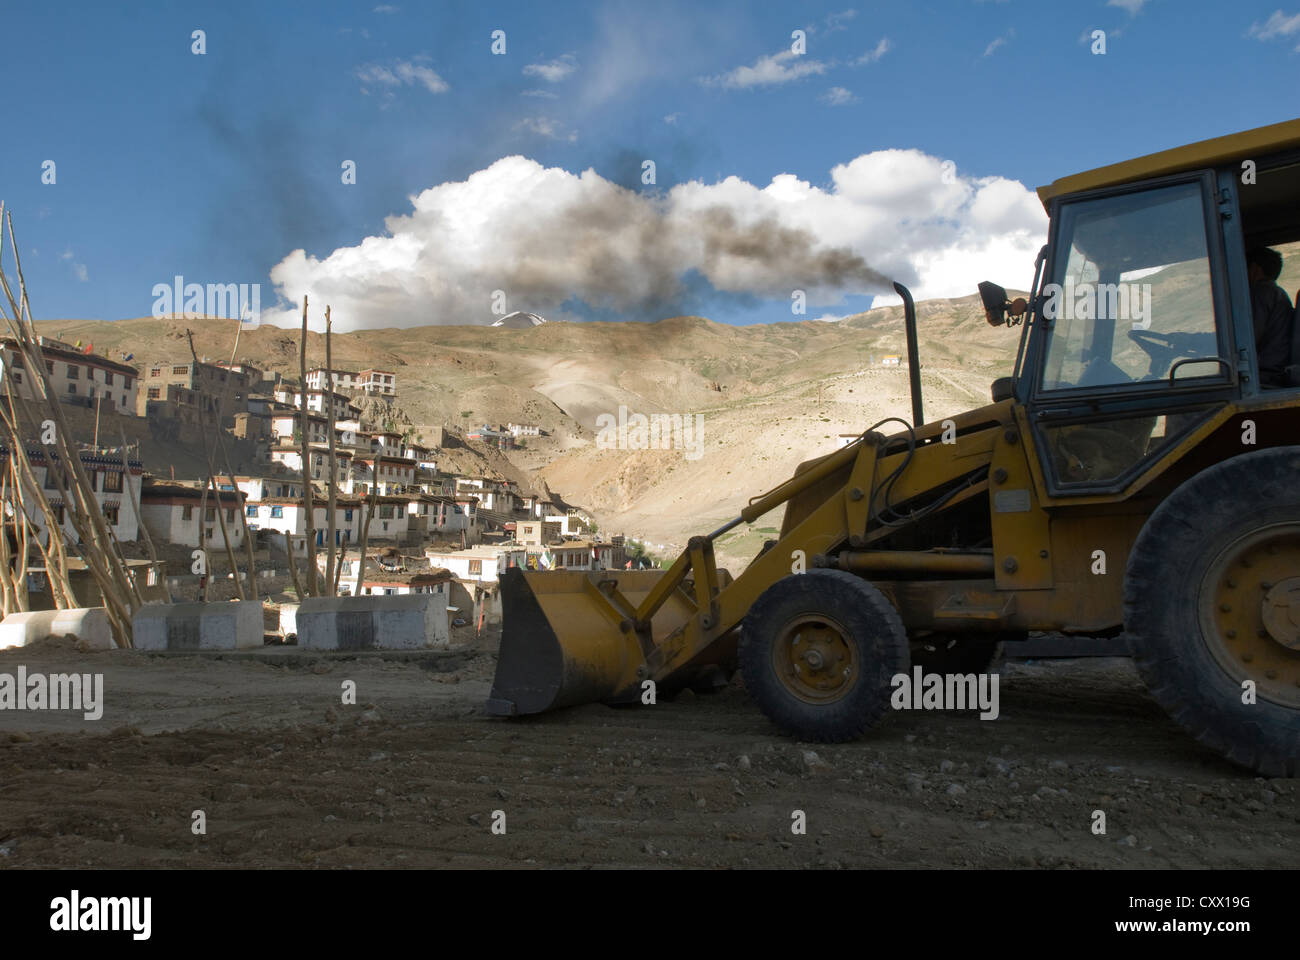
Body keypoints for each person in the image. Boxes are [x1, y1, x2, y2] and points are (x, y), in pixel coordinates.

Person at [1246, 246, 1294, 387]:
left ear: (1254, 269)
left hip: (1265, 376)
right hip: (1275, 370)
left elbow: (1248, 339)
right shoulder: (1276, 293)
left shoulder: (1261, 293)